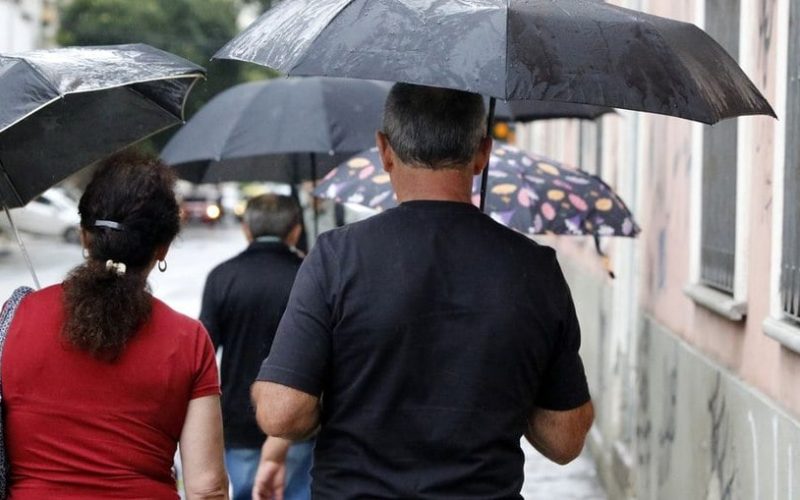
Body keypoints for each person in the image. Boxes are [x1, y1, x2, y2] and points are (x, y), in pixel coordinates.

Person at [250, 82, 595, 499]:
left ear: (384, 149)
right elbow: (565, 440)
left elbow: (282, 413)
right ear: (483, 152)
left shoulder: (335, 257)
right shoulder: (535, 268)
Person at [2, 152, 228, 499]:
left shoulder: (17, 317)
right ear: (163, 249)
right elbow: (207, 487)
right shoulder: (189, 340)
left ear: (84, 237)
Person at [199, 194, 312, 500]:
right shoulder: (311, 276)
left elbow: (204, 354)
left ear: (246, 229)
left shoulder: (222, 277)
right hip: (297, 419)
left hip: (239, 418)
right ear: (295, 231)